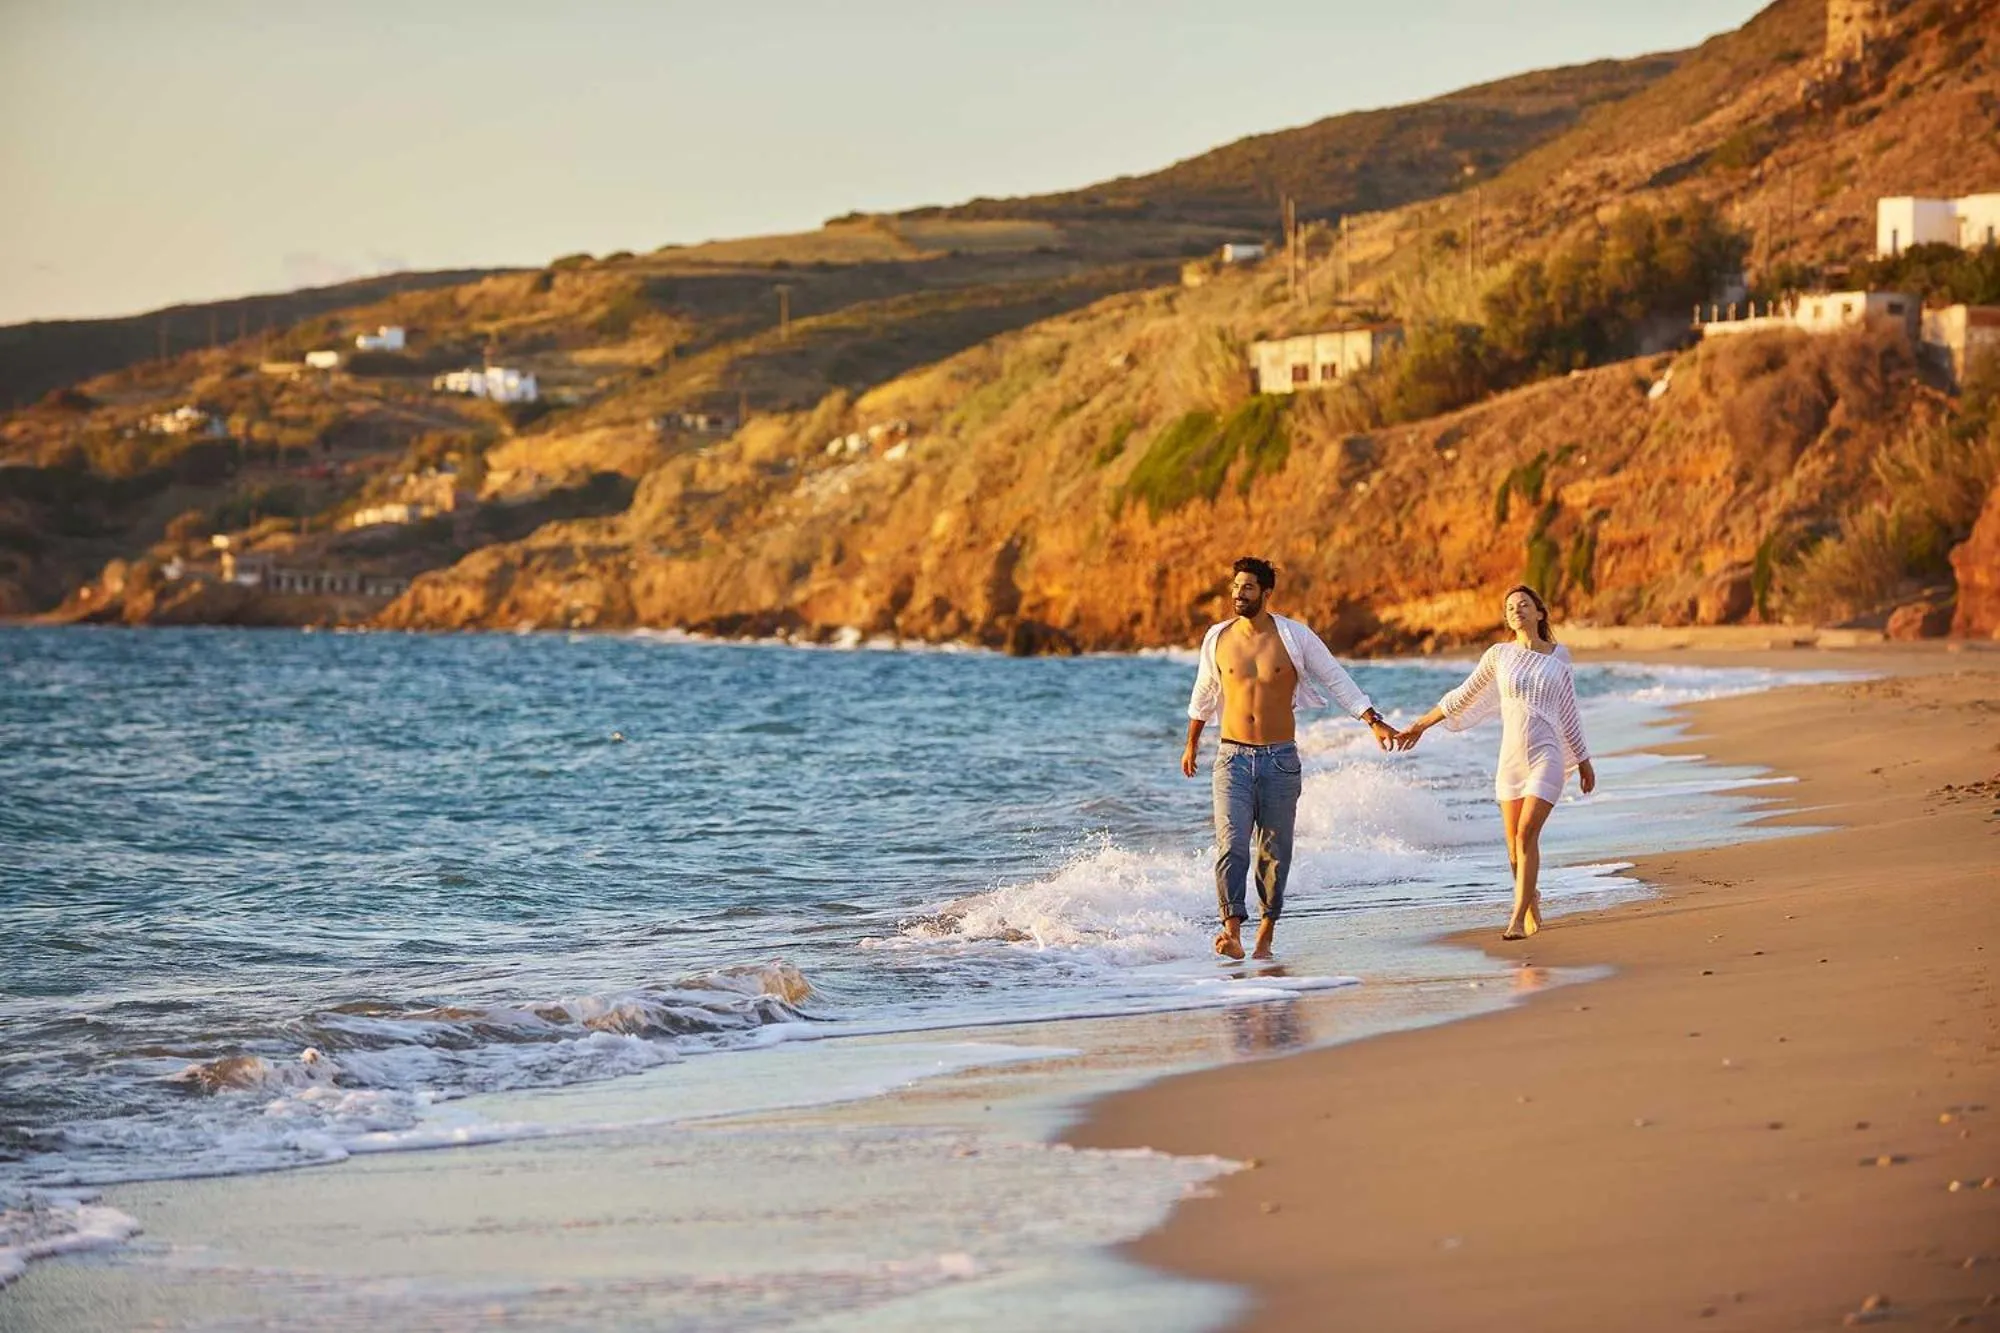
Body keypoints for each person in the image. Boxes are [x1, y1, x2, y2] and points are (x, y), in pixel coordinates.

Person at [1182, 557, 1397, 960]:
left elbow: (1335, 678)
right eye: (1235, 586)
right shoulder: (1217, 638)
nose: (1237, 594)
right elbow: (1205, 691)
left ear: (1266, 593)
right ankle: (1232, 932)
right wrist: (1192, 742)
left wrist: (1372, 720)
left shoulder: (1294, 637)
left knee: (1274, 853)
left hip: (1279, 759)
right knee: (1231, 846)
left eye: (1247, 587)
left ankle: (1266, 930)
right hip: (1230, 757)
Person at [1395, 585, 1596, 940]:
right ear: (1507, 618)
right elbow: (1461, 696)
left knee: (1526, 835)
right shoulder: (1499, 655)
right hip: (1511, 761)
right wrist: (1420, 725)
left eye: (1524, 604)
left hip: (1546, 755)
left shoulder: (1558, 656)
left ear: (1539, 612)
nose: (1516, 610)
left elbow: (1569, 710)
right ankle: (1531, 897)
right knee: (1514, 853)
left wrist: (1583, 759)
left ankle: (1516, 919)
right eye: (1510, 607)